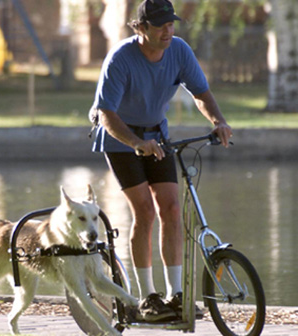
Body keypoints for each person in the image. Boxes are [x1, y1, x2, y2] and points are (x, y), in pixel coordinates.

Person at [90, 0, 233, 322]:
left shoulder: (179, 50)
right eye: (160, 26)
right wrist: (137, 143)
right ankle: (148, 297)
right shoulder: (121, 59)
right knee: (144, 211)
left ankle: (176, 294)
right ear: (141, 28)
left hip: (158, 136)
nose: (168, 31)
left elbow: (201, 92)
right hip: (121, 138)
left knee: (170, 208)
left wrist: (218, 121)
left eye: (171, 24)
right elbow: (105, 114)